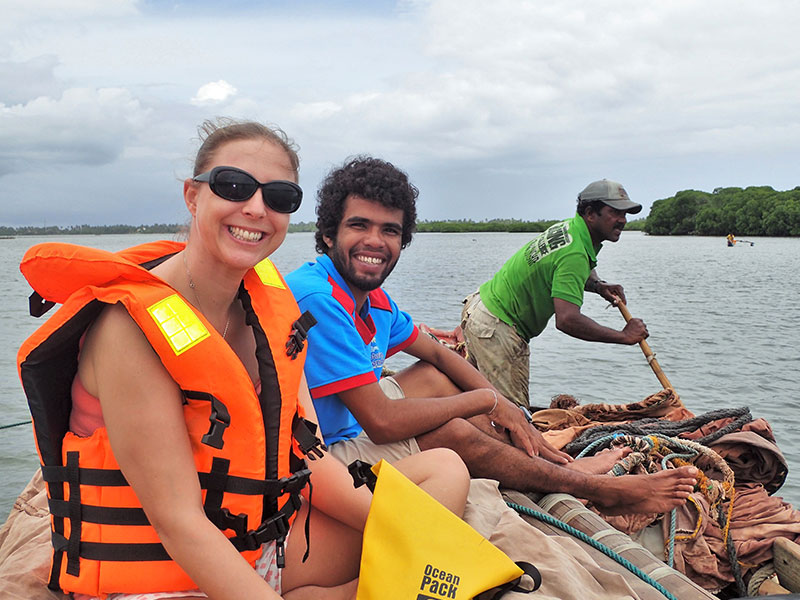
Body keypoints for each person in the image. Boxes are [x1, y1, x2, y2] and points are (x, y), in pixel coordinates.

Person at [16, 120, 469, 600]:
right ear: (193, 197)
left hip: (261, 544)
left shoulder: (273, 313)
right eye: (233, 186)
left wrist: (408, 528)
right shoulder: (130, 330)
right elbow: (179, 522)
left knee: (445, 472)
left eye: (278, 196)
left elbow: (307, 456)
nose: (256, 208)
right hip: (168, 569)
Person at [286, 158, 698, 517]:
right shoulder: (319, 298)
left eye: (389, 231)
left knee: (440, 377)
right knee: (454, 431)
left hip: (352, 416)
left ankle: (553, 461)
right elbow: (381, 422)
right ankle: (595, 489)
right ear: (327, 235)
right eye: (359, 225)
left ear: (403, 239)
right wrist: (488, 400)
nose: (375, 241)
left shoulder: (371, 296)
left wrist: (509, 412)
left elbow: (441, 357)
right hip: (319, 452)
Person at [461, 178, 649, 409]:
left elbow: (565, 270)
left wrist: (598, 286)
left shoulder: (570, 229)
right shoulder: (575, 253)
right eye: (615, 212)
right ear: (591, 213)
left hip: (481, 310)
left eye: (625, 214)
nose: (623, 220)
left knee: (478, 406)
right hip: (497, 328)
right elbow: (568, 320)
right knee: (512, 418)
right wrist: (624, 336)